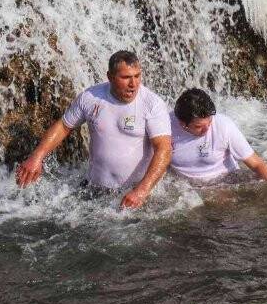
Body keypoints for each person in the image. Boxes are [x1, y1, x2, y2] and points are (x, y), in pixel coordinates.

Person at [16, 50, 172, 209]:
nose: (133, 84)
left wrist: (142, 191)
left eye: (137, 76)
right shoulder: (91, 97)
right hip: (93, 190)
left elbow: (164, 149)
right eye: (126, 77)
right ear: (110, 77)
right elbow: (64, 126)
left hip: (134, 192)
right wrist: (37, 156)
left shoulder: (151, 104)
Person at [169, 87, 267, 192]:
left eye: (209, 122)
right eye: (199, 126)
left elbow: (257, 163)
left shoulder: (223, 124)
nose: (207, 130)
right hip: (185, 186)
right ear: (182, 123)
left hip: (225, 180)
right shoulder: (165, 127)